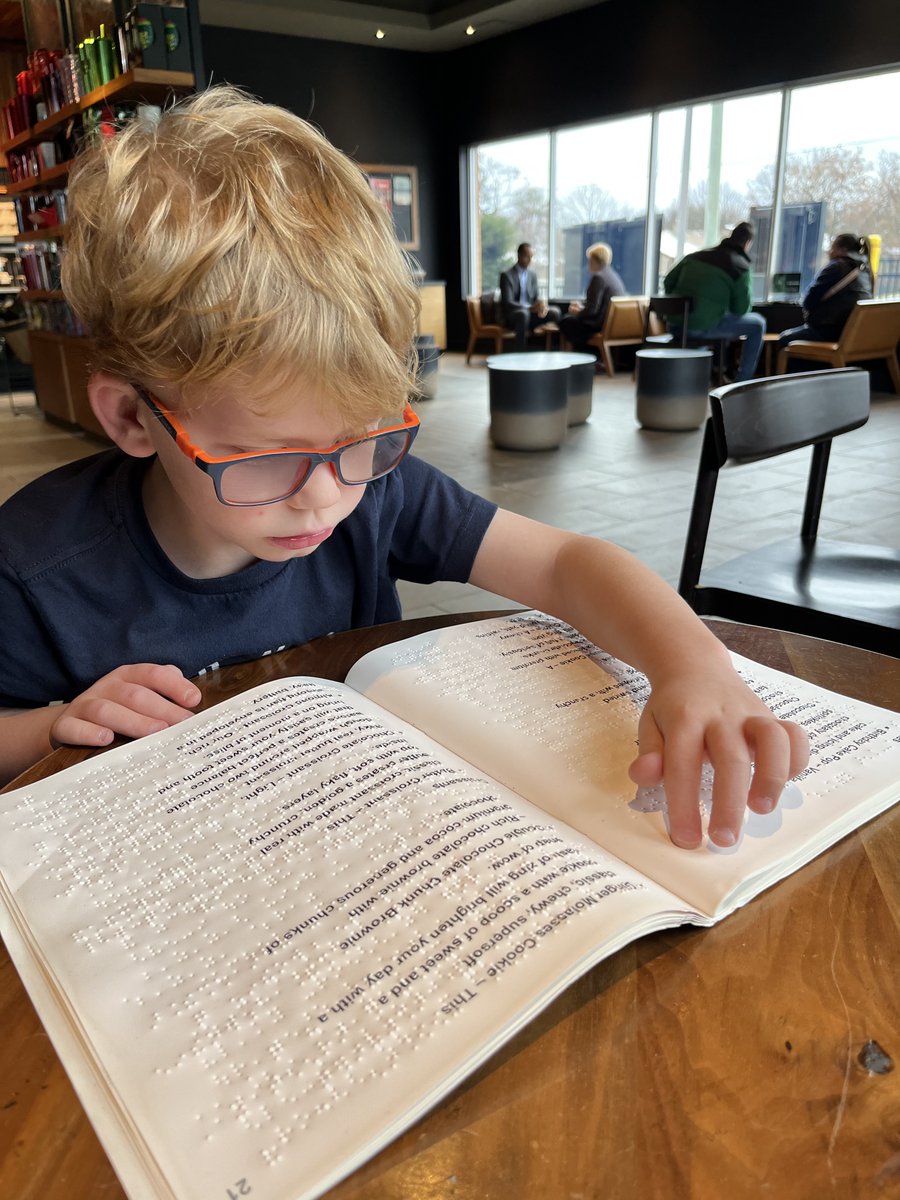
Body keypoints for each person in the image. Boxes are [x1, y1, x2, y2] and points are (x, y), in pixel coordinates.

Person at [0, 87, 808, 851]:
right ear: (131, 418)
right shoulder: (34, 565)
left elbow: (563, 564)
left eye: (362, 437)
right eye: (268, 459)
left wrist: (691, 665)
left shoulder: (378, 490)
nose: (327, 498)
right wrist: (51, 727)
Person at [664, 221, 766, 382]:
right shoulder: (740, 267)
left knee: (716, 315)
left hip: (674, 325)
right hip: (699, 328)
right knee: (758, 324)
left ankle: (718, 369)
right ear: (747, 243)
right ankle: (742, 381)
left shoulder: (693, 256)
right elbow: (741, 310)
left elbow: (668, 282)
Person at [778, 233, 873, 350]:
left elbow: (808, 301)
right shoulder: (865, 271)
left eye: (832, 248)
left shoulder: (836, 267)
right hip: (852, 337)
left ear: (842, 250)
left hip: (829, 332)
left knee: (784, 338)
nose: (829, 252)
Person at [559, 242, 626, 355]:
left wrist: (577, 313)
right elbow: (598, 306)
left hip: (598, 325)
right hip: (610, 324)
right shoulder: (613, 276)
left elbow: (592, 310)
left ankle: (572, 356)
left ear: (594, 260)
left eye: (589, 260)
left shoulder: (598, 278)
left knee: (565, 321)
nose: (588, 263)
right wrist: (582, 309)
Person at [499, 243, 561, 351]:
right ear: (519, 256)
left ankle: (552, 351)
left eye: (532, 257)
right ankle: (520, 352)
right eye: (527, 256)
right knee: (523, 314)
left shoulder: (532, 275)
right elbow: (507, 302)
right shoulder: (506, 275)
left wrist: (542, 306)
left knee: (555, 312)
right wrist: (529, 308)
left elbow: (536, 297)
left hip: (530, 314)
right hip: (514, 316)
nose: (530, 260)